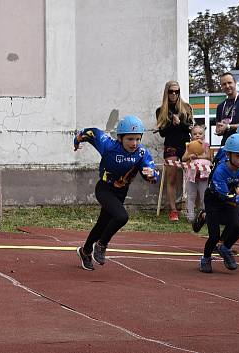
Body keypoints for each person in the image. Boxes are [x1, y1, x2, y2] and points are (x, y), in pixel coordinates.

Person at [74, 115, 159, 271]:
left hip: (121, 192)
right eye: (130, 139)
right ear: (120, 138)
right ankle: (101, 244)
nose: (134, 143)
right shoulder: (108, 146)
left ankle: (85, 251)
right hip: (104, 189)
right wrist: (77, 140)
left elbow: (153, 175)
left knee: (102, 224)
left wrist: (152, 175)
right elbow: (91, 132)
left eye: (138, 139)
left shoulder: (141, 154)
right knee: (121, 217)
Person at [192, 119, 239, 233]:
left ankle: (222, 243)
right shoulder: (227, 150)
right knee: (221, 214)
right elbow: (220, 170)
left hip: (232, 185)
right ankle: (205, 217)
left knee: (234, 218)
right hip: (219, 184)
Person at [199, 133, 239, 273]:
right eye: (238, 156)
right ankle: (205, 258)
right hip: (214, 200)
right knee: (214, 235)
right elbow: (226, 196)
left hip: (231, 196)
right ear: (229, 155)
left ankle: (225, 248)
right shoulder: (220, 172)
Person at [155, 81, 193, 221]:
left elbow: (190, 128)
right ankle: (173, 210)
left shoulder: (187, 107)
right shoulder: (161, 110)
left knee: (192, 177)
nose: (174, 94)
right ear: (167, 92)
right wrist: (172, 123)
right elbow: (162, 133)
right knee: (171, 178)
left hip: (186, 145)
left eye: (176, 91)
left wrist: (181, 123)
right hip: (171, 146)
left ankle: (191, 209)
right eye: (171, 91)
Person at [181, 125, 212, 222]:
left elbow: (209, 157)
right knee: (191, 195)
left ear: (204, 135)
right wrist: (190, 156)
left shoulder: (206, 145)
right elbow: (183, 158)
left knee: (204, 196)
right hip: (192, 175)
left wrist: (199, 155)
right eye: (195, 134)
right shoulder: (189, 145)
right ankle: (190, 215)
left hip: (203, 175)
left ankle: (204, 215)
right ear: (191, 135)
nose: (197, 135)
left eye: (200, 133)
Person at [215, 73, 239, 145]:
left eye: (229, 83)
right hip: (226, 144)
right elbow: (218, 128)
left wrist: (228, 126)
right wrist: (219, 130)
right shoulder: (220, 106)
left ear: (235, 83)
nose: (227, 86)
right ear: (221, 87)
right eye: (224, 84)